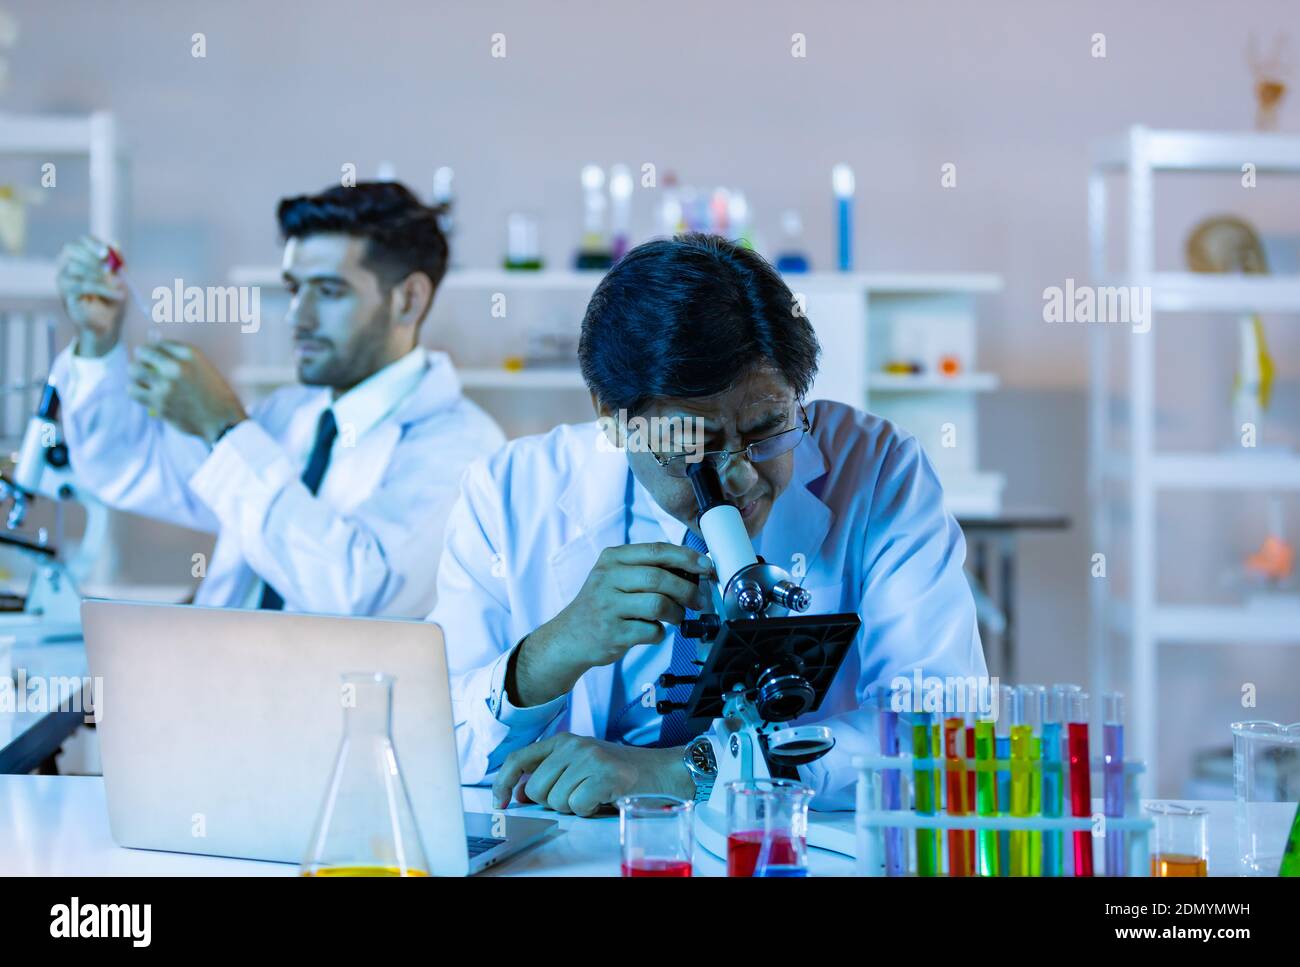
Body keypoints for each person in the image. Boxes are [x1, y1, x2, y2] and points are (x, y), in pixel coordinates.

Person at [430, 232, 987, 815]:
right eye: (691, 443)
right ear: (612, 420)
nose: (741, 477)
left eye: (768, 427)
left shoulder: (877, 471)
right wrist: (553, 651)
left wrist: (690, 771)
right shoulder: (510, 492)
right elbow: (430, 742)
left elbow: (943, 731)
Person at [50, 181, 504, 616]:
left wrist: (224, 428)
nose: (297, 317)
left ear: (409, 299)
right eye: (293, 289)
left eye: (328, 291)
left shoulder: (463, 448)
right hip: (210, 680)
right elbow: (123, 465)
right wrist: (100, 341)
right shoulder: (286, 416)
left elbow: (359, 592)